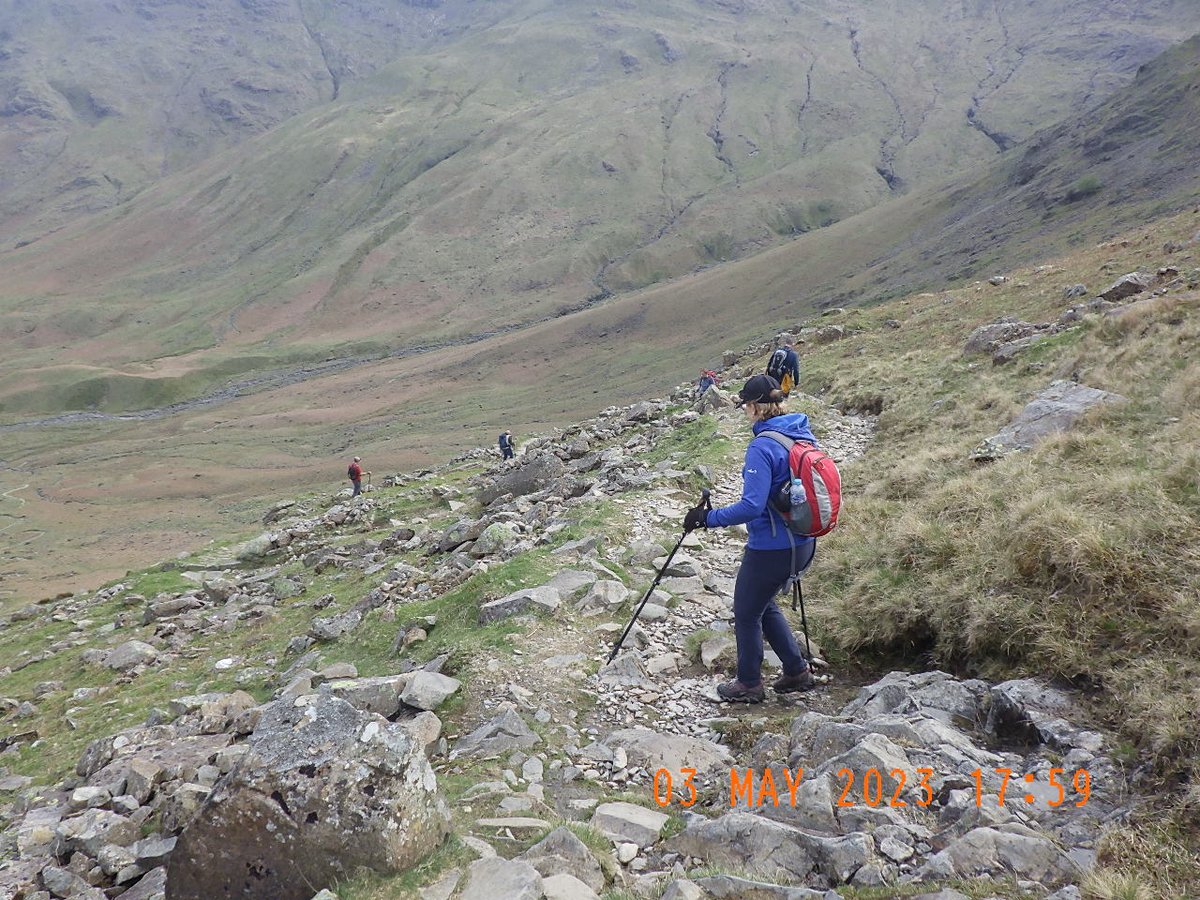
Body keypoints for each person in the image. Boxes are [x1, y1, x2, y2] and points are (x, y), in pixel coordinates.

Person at [683, 374, 818, 703]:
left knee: (745, 612)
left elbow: (752, 506)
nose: (744, 410)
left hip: (771, 548)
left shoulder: (762, 446)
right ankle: (796, 671)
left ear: (757, 407)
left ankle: (748, 684)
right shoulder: (800, 433)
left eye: (746, 404)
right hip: (803, 541)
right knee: (763, 602)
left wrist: (707, 518)